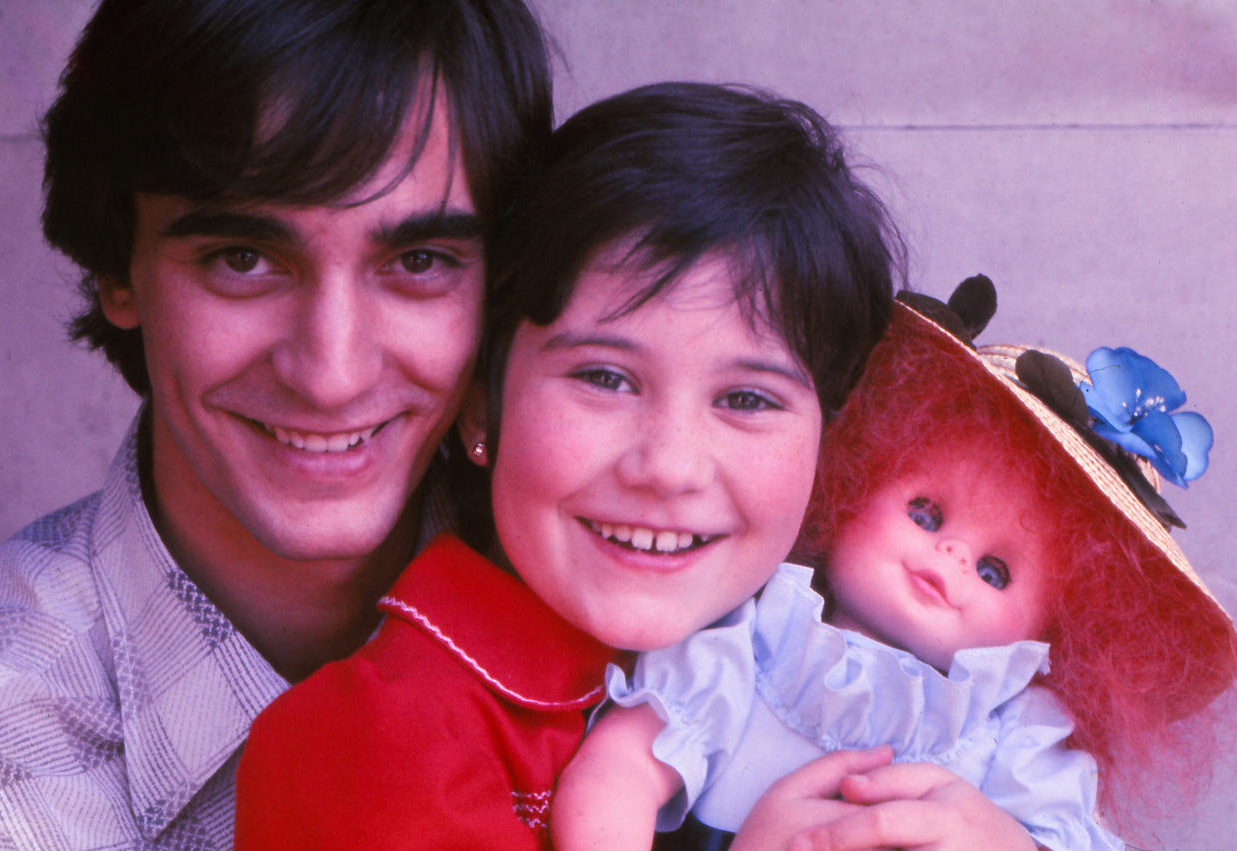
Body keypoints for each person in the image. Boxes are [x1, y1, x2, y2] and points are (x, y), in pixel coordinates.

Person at [233, 81, 908, 849]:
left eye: (749, 399)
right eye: (605, 378)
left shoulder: (818, 677)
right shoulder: (374, 745)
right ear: (481, 405)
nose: (670, 467)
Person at [0, 0, 551, 847]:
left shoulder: (634, 626)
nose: (331, 376)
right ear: (119, 267)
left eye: (417, 262)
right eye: (243, 258)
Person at [552, 278, 1237, 850]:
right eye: (925, 513)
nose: (947, 555)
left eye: (996, 570)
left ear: (1053, 626)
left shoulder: (1016, 736)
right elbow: (615, 773)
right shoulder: (748, 645)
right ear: (850, 480)